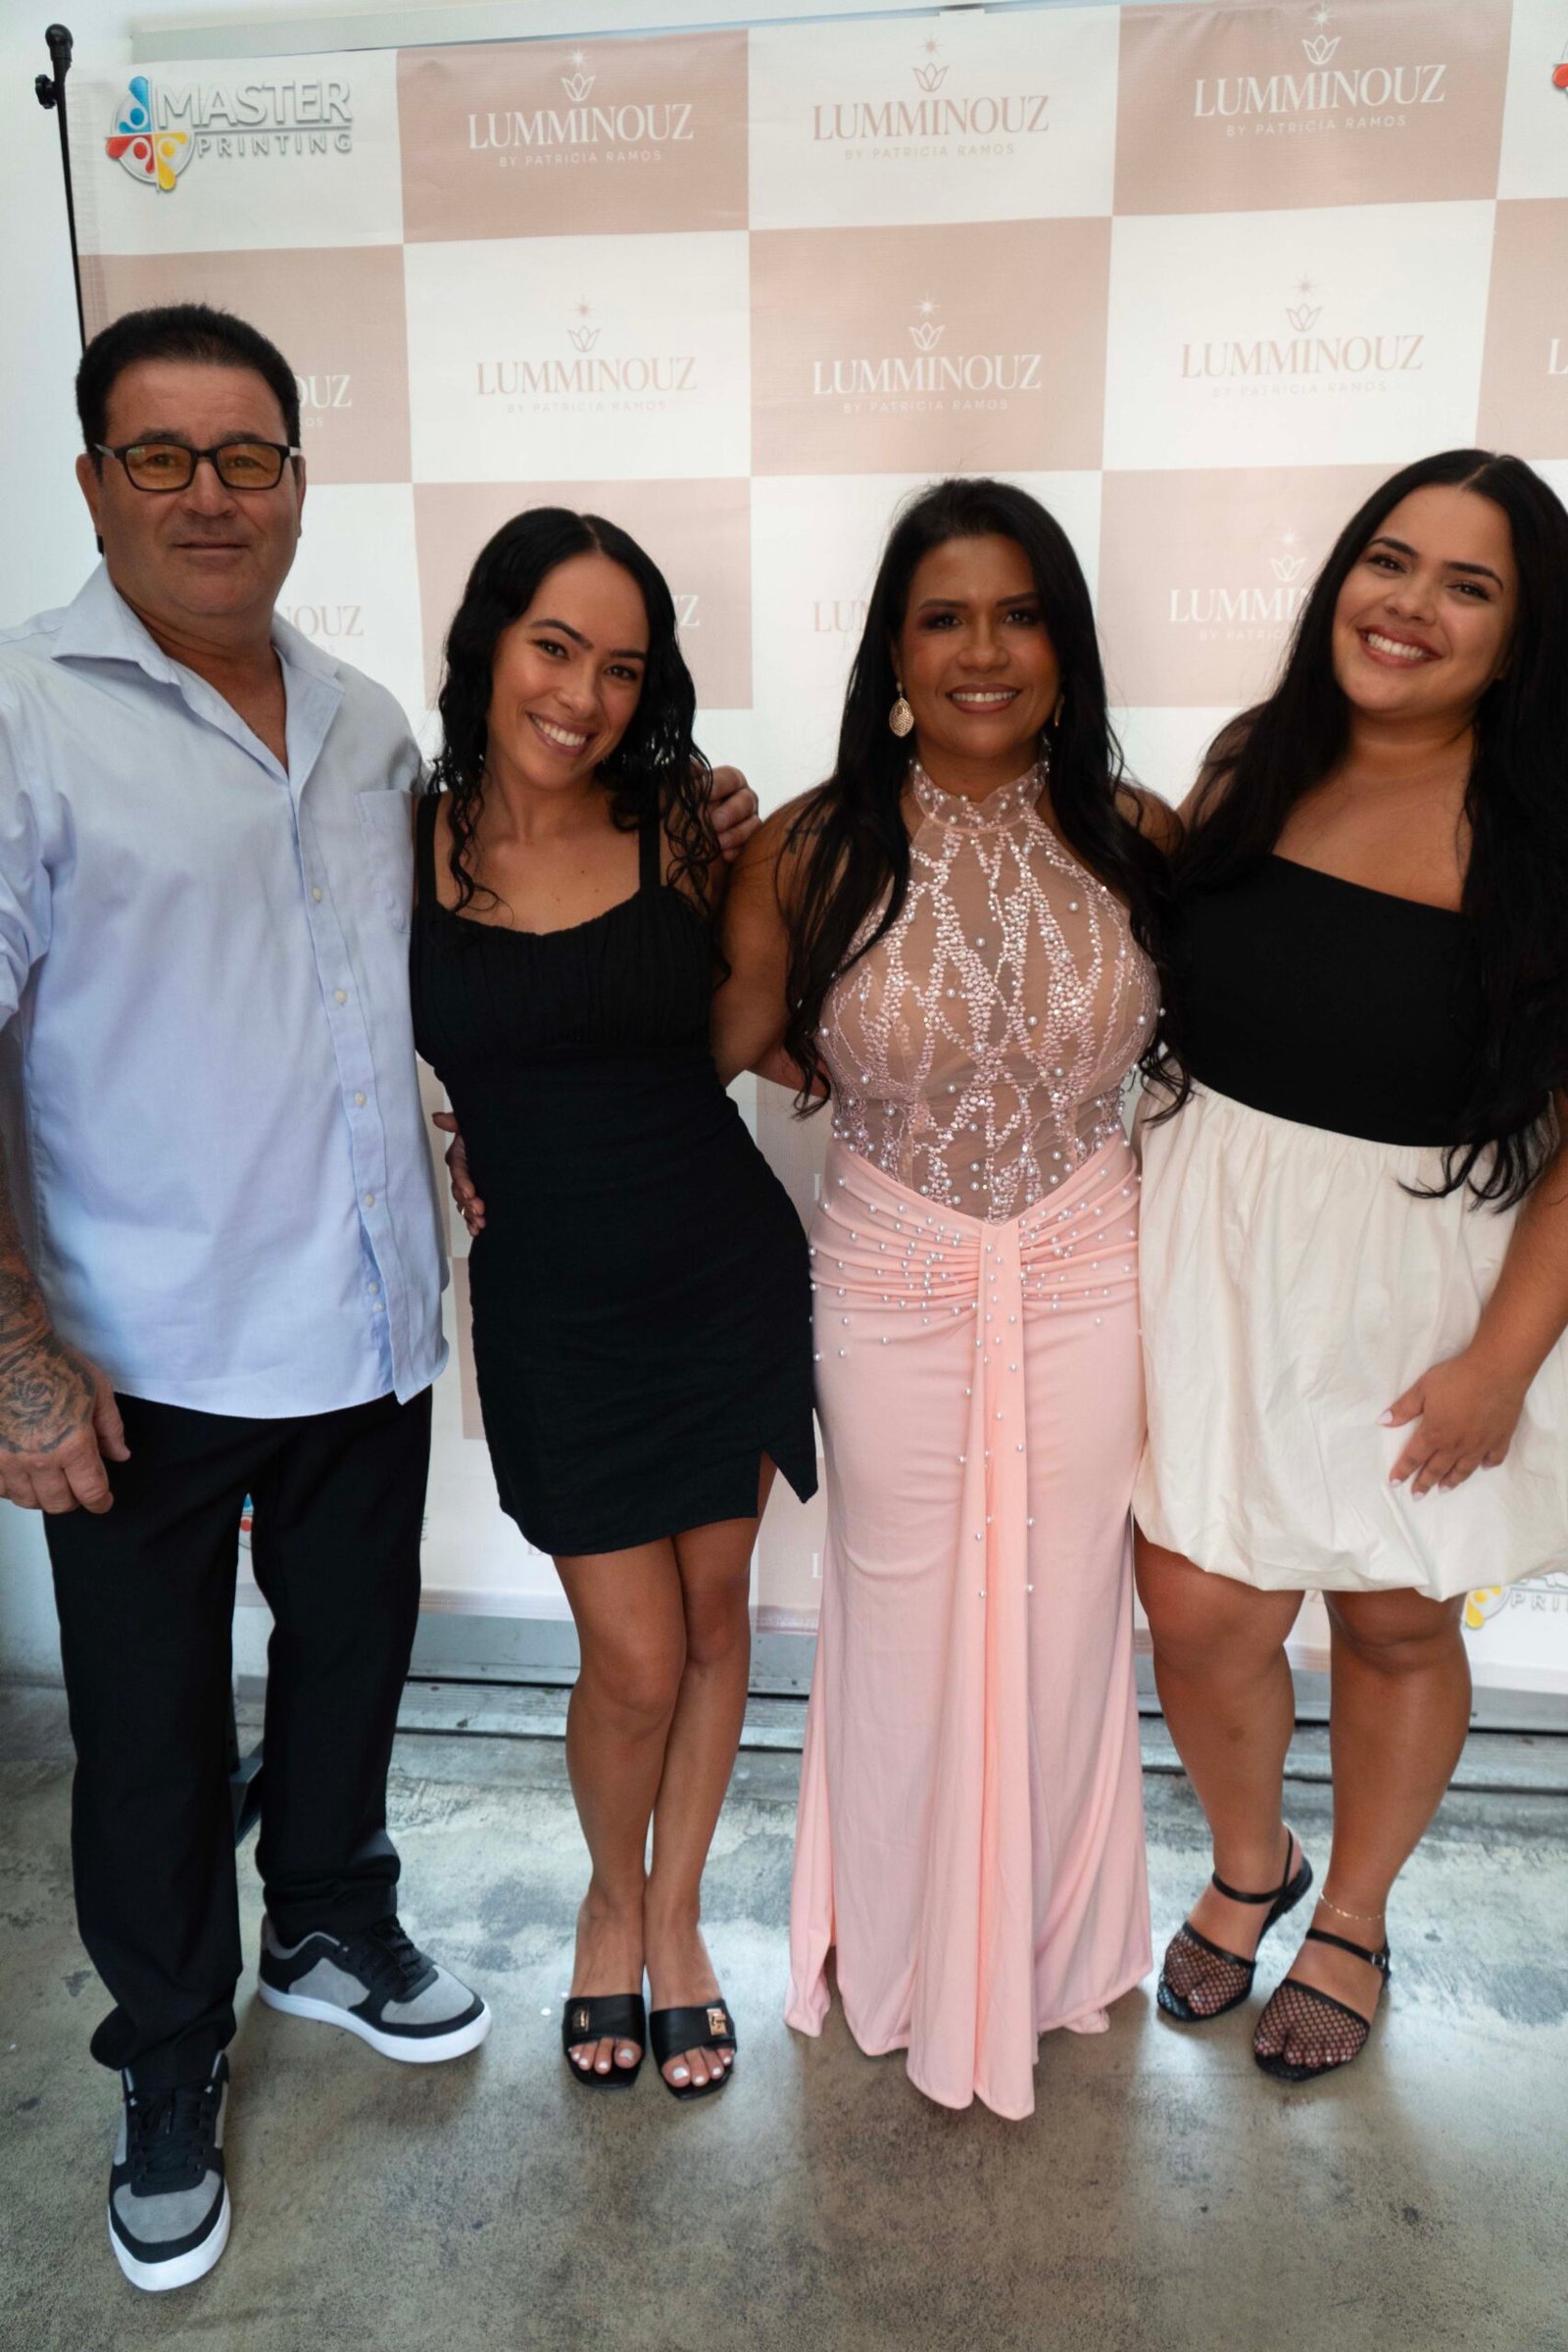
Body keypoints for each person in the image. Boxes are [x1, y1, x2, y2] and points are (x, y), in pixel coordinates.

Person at [0, 304, 759, 2290]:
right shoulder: (25, 714)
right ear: (93, 481)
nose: (209, 494)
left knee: (352, 1662)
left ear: (296, 482)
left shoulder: (367, 737)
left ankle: (330, 1920)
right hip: (139, 1343)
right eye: (160, 457)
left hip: (364, 1317)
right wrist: (13, 1353)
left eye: (247, 455)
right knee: (149, 1728)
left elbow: (437, 994)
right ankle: (172, 2049)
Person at [710, 476, 1174, 2118]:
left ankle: (1048, 1952)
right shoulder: (809, 846)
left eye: (1020, 615)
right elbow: (711, 1043)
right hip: (890, 1269)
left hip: (1090, 1266)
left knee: (1066, 1615)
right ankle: (906, 1948)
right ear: (894, 652)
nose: (985, 651)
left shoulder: (1140, 834)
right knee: (899, 1617)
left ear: (1065, 643)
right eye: (945, 618)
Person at [1134, 450, 1568, 2082]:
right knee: (1199, 1610)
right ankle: (1254, 1866)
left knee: (1393, 1622)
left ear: (1522, 641)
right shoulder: (1254, 762)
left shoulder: (1545, 838)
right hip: (1213, 1263)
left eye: (1469, 585)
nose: (1410, 606)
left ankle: (1358, 1916)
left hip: (1425, 1291)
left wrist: (1501, 1364)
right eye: (1391, 561)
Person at [413, 508, 815, 2103]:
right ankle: (608, 1900)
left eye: (624, 667)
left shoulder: (689, 831)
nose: (583, 695)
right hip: (553, 1309)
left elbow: (747, 1022)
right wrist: (465, 1135)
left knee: (716, 1626)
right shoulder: (403, 839)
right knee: (634, 1659)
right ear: (490, 645)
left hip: (718, 1273)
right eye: (555, 647)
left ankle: (680, 1918)